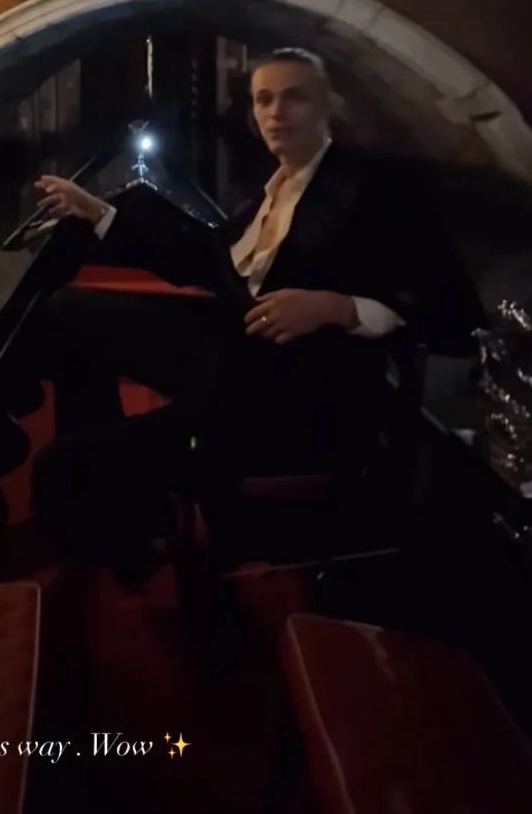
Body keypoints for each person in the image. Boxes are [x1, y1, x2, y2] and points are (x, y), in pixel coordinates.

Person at [29, 48, 485, 585]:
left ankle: (131, 539)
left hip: (293, 396)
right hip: (232, 358)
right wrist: (100, 212)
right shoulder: (274, 191)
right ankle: (137, 512)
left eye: (295, 98)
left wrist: (336, 307)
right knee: (65, 312)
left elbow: (458, 317)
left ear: (328, 107)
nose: (276, 112)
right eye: (264, 100)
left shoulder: (379, 191)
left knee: (60, 469)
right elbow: (206, 258)